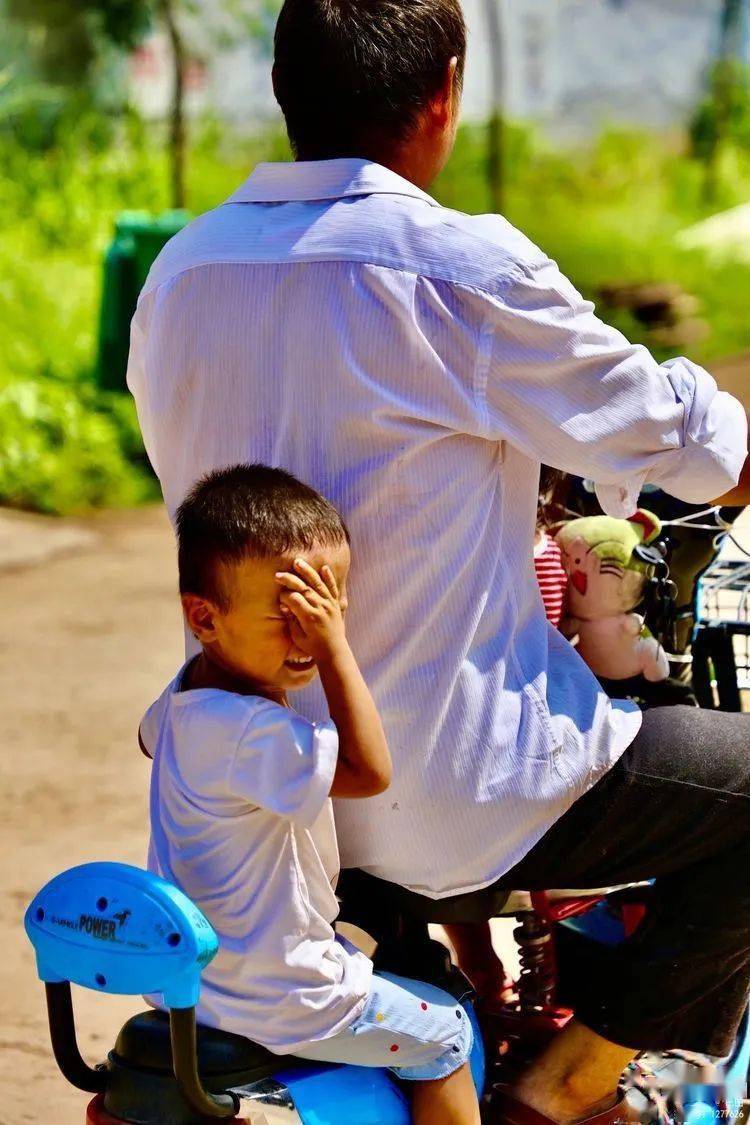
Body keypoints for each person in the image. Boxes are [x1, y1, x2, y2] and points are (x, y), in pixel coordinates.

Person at [126, 2, 750, 1121]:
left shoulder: (180, 274)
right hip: (464, 795)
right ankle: (566, 1087)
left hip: (263, 794)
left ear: (284, 88)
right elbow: (684, 445)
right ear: (444, 95)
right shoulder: (461, 268)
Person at [139, 464, 481, 1125]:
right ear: (204, 616)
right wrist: (335, 649)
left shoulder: (186, 703)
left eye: (328, 611)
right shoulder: (251, 731)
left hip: (195, 984)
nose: (308, 637)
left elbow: (147, 735)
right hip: (281, 993)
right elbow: (368, 770)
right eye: (292, 616)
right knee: (446, 1037)